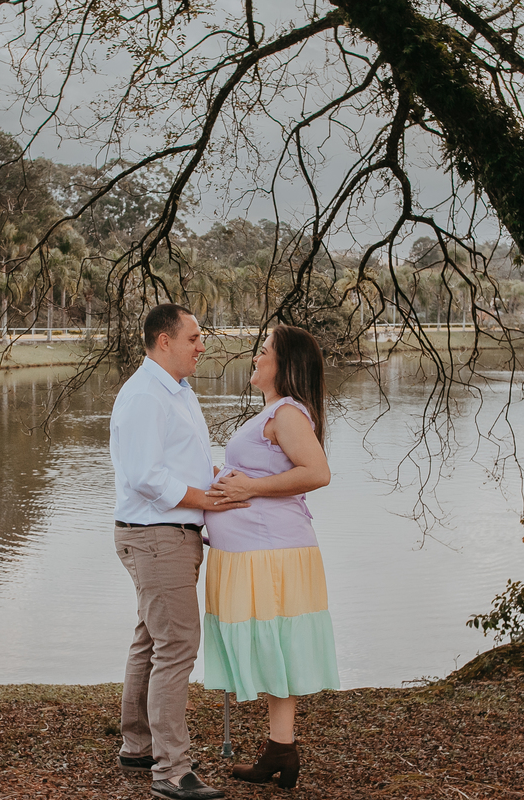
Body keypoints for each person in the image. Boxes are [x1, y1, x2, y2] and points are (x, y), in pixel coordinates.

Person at [109, 303, 247, 800]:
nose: (202, 346)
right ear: (163, 341)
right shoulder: (147, 395)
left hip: (168, 533)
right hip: (156, 536)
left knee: (152, 638)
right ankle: (171, 770)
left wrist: (219, 485)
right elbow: (146, 477)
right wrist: (204, 499)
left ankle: (137, 744)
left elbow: (180, 466)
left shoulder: (178, 392)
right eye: (194, 338)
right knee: (177, 646)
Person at [201, 324, 340, 789]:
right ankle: (281, 749)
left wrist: (249, 486)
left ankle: (281, 749)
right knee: (274, 644)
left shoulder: (287, 414)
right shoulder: (273, 413)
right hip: (259, 551)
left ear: (285, 365)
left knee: (275, 643)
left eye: (264, 351)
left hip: (273, 553)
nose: (255, 357)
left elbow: (317, 472)